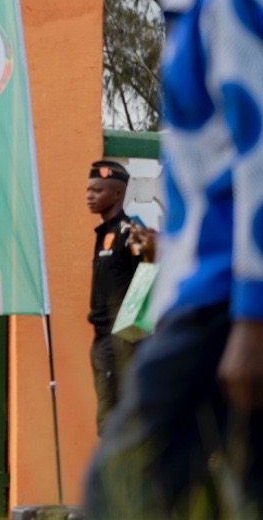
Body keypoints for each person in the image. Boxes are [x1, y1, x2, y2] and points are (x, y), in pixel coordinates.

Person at [86, 0, 263, 516]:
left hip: (225, 298)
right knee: (243, 490)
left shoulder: (226, 4)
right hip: (205, 296)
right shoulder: (196, 9)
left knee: (118, 484)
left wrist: (256, 316)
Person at [85, 158, 146, 433]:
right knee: (107, 415)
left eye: (97, 190)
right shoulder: (104, 233)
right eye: (88, 189)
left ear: (118, 193)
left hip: (118, 340)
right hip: (100, 339)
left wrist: (128, 339)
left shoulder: (129, 232)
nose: (89, 196)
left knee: (112, 420)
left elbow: (145, 282)